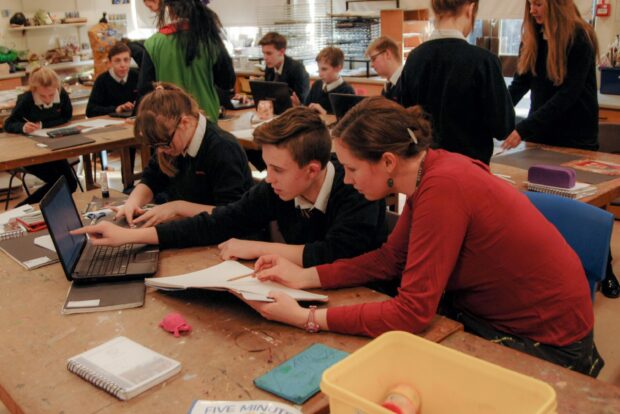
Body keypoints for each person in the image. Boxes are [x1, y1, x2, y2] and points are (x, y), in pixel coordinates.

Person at [245, 97, 604, 378]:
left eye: (351, 168)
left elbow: (413, 311)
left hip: (549, 345)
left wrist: (308, 319)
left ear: (387, 162)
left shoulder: (443, 188)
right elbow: (391, 259)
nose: (348, 180)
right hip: (504, 315)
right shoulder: (429, 170)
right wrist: (305, 275)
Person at [73, 107, 387, 268]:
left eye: (277, 170)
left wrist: (257, 247)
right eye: (267, 167)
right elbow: (220, 221)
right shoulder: (277, 188)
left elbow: (337, 255)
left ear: (312, 170)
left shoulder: (358, 188)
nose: (269, 178)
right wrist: (130, 236)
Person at [504, 1, 620, 299]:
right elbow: (519, 85)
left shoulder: (580, 37)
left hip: (576, 136)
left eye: (539, 4)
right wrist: (497, 113)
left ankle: (604, 268)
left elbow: (568, 95)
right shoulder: (531, 38)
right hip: (542, 135)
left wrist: (522, 128)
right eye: (530, 4)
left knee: (586, 205)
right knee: (543, 202)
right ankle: (552, 267)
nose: (532, 10)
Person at [115, 83, 253, 227]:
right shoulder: (172, 141)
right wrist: (132, 203)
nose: (161, 151)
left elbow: (231, 214)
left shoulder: (222, 148)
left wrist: (177, 208)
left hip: (229, 236)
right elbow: (151, 179)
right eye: (156, 146)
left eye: (164, 144)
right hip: (193, 228)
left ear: (185, 123)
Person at [399, 0, 514, 165]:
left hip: (425, 168)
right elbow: (503, 127)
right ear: (470, 8)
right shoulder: (483, 61)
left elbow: (405, 117)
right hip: (470, 170)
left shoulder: (415, 58)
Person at [137, 0, 235, 121]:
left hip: (169, 119)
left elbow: (144, 88)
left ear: (169, 9)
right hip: (205, 118)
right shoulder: (209, 40)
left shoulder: (153, 43)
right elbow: (227, 82)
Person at [3, 67, 78, 205]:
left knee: (71, 183)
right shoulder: (26, 99)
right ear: (34, 90)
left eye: (51, 94)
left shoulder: (61, 94)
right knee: (59, 183)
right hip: (30, 152)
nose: (48, 99)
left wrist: (43, 124)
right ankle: (21, 209)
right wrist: (23, 127)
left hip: (53, 148)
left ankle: (37, 210)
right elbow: (8, 124)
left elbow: (66, 116)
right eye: (43, 96)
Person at [86, 42, 139, 117]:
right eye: (117, 61)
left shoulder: (137, 76)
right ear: (110, 63)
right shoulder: (102, 80)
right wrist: (116, 109)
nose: (122, 65)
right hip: (110, 124)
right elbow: (90, 111)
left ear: (130, 60)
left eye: (126, 60)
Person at [300, 46, 355, 115]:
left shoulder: (347, 91)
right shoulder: (317, 85)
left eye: (324, 69)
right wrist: (299, 106)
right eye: (319, 69)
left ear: (338, 68)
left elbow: (347, 121)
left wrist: (324, 112)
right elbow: (306, 109)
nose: (320, 74)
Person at [259, 32, 310, 103]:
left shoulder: (297, 69)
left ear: (282, 52)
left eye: (269, 53)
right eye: (263, 53)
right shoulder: (269, 68)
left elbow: (302, 102)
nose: (265, 58)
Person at [366, 36, 403, 102]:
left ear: (387, 54)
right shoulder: (388, 87)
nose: (371, 65)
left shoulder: (407, 83)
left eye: (374, 59)